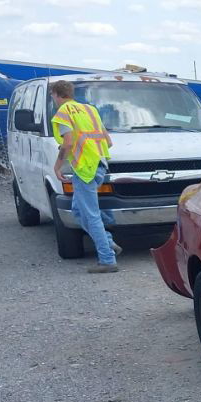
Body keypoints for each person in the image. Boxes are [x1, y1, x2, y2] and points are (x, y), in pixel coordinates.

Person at [49, 80, 120, 273]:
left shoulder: (63, 113)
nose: (53, 99)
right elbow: (108, 141)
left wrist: (58, 166)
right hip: (98, 164)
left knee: (90, 214)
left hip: (85, 168)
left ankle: (107, 260)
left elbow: (68, 142)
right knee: (78, 211)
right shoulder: (90, 110)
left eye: (52, 96)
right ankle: (106, 242)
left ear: (56, 94)